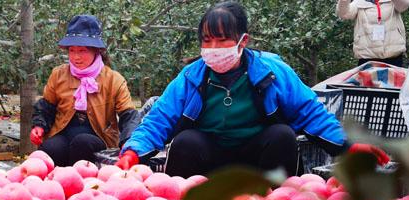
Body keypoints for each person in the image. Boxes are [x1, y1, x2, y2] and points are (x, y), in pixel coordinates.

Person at [117, 1, 389, 177]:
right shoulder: (192, 77)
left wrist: (349, 146)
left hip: (257, 160)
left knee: (282, 135)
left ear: (242, 41)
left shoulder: (272, 73)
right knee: (186, 142)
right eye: (207, 40)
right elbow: (159, 119)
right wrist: (131, 152)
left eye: (222, 40)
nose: (212, 49)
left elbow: (311, 113)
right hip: (211, 158)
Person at [30, 15, 140, 167]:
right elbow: (46, 106)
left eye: (82, 50)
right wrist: (39, 126)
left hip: (97, 138)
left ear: (97, 51)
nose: (76, 57)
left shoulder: (114, 79)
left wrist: (128, 144)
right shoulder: (59, 74)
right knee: (50, 148)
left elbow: (129, 116)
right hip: (62, 133)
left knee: (82, 143)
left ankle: (83, 185)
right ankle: (55, 185)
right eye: (72, 50)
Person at [336, 0, 409, 67]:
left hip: (394, 57)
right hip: (367, 60)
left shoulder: (392, 2)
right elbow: (343, 14)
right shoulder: (359, 2)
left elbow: (403, 6)